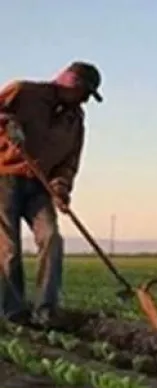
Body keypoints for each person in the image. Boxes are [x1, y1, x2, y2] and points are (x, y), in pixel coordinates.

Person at [0, 61, 103, 329]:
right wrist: (7, 123)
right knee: (9, 248)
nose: (84, 100)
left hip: (40, 185)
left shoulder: (75, 121)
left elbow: (69, 162)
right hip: (5, 177)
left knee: (52, 239)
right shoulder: (23, 92)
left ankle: (46, 310)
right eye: (83, 92)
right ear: (70, 83)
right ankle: (13, 312)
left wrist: (60, 188)